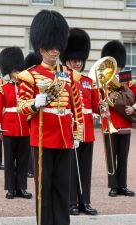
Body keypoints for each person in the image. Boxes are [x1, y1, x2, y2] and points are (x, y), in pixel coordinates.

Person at [17, 10, 84, 225]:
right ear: (41, 48)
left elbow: (77, 106)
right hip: (43, 138)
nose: (55, 51)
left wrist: (77, 132)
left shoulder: (69, 75)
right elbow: (22, 108)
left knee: (62, 189)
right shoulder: (30, 75)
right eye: (51, 48)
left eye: (57, 47)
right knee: (43, 191)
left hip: (64, 139)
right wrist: (36, 103)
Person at [60, 28, 98, 215]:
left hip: (88, 131)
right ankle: (71, 202)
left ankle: (85, 201)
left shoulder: (87, 82)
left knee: (85, 168)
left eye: (79, 60)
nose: (76, 63)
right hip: (70, 129)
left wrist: (105, 107)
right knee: (71, 168)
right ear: (67, 60)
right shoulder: (62, 79)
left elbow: (96, 105)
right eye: (73, 60)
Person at [0, 47, 32, 199]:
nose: (17, 74)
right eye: (14, 72)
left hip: (25, 126)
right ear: (9, 72)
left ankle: (21, 187)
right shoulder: (2, 88)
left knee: (23, 159)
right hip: (9, 127)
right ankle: (10, 188)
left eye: (19, 71)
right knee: (10, 160)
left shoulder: (27, 87)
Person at [100, 40, 136, 197]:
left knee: (123, 156)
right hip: (109, 123)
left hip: (125, 123)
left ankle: (123, 185)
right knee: (111, 156)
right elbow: (98, 100)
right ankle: (113, 185)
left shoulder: (126, 77)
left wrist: (133, 108)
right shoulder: (102, 80)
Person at [24, 52, 42, 178]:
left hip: (40, 114)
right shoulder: (28, 78)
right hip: (30, 113)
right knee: (30, 145)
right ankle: (30, 168)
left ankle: (33, 168)